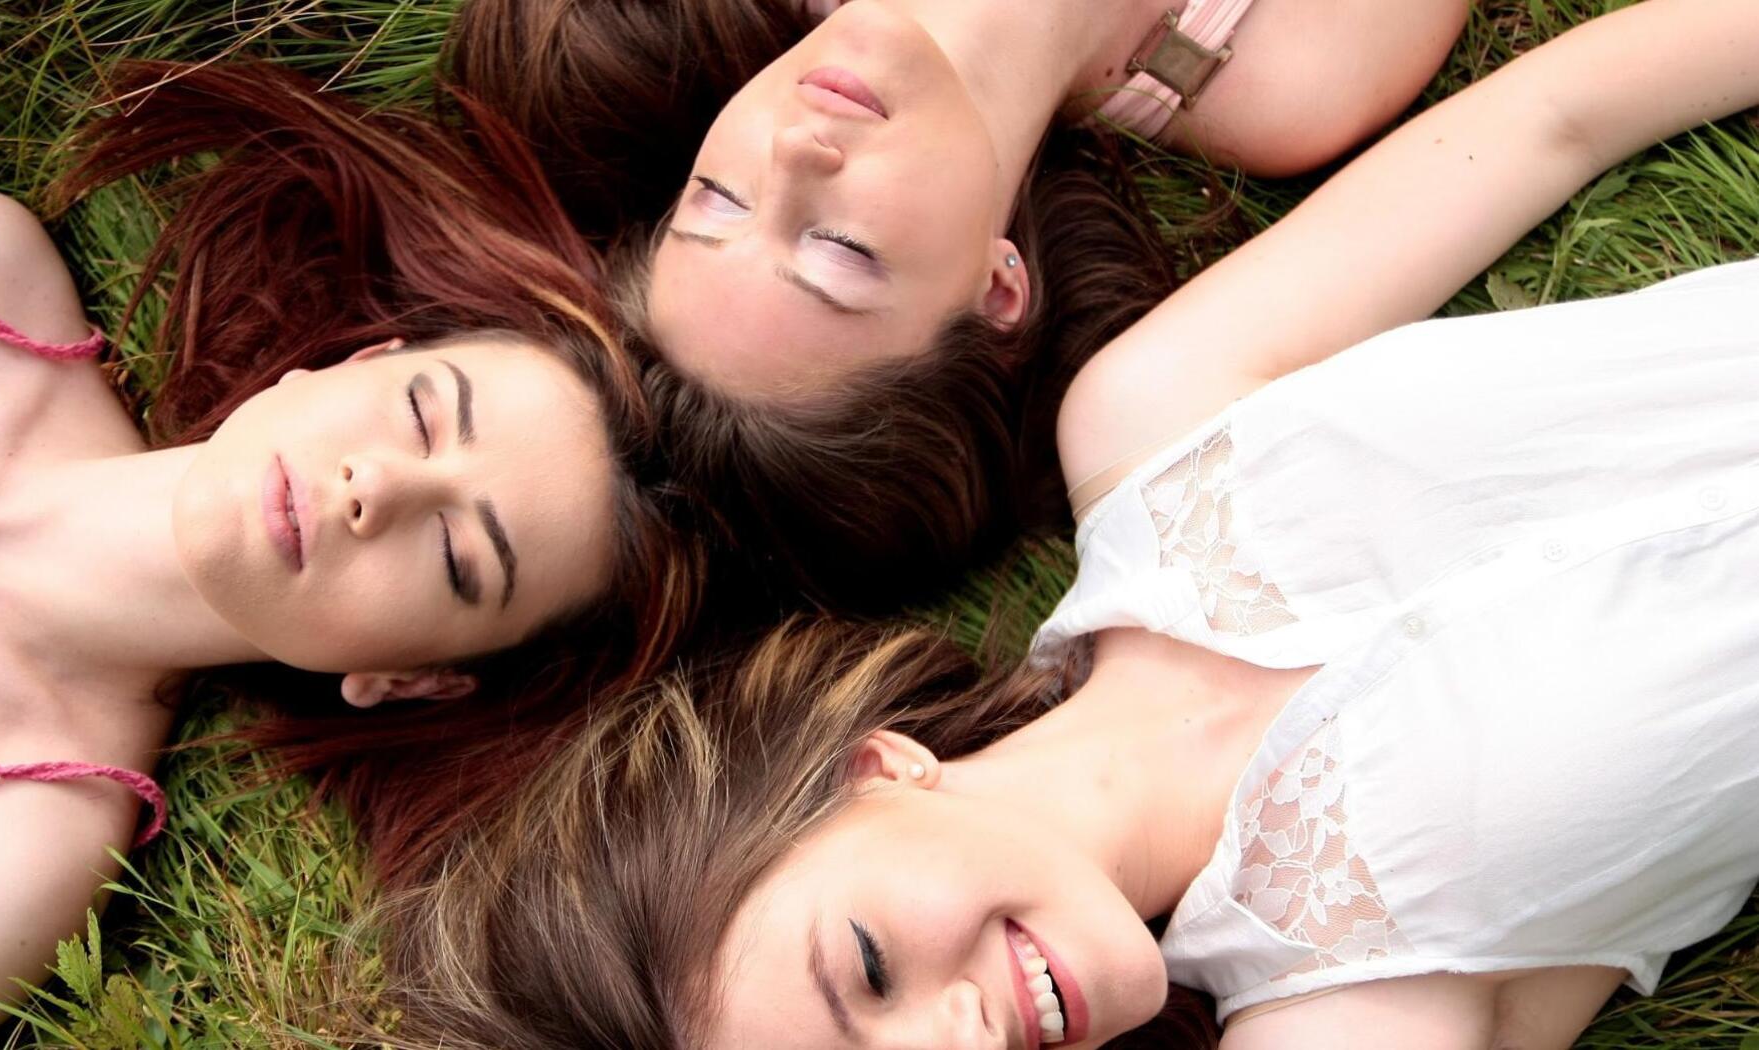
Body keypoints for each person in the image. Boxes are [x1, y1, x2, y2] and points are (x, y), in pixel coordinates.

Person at [379, 0, 1759, 1045]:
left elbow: (1557, 120)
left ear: (869, 768)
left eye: (863, 970)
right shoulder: (1340, 1006)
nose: (954, 1039)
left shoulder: (1148, 424)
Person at [0, 60, 701, 1048]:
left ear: (409, 679)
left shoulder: (25, 832)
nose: (376, 488)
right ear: (351, 363)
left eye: (459, 555)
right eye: (421, 415)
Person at [440, 0, 1468, 611]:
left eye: (718, 201)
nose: (797, 150)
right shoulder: (1287, 77)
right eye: (839, 250)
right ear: (997, 286)